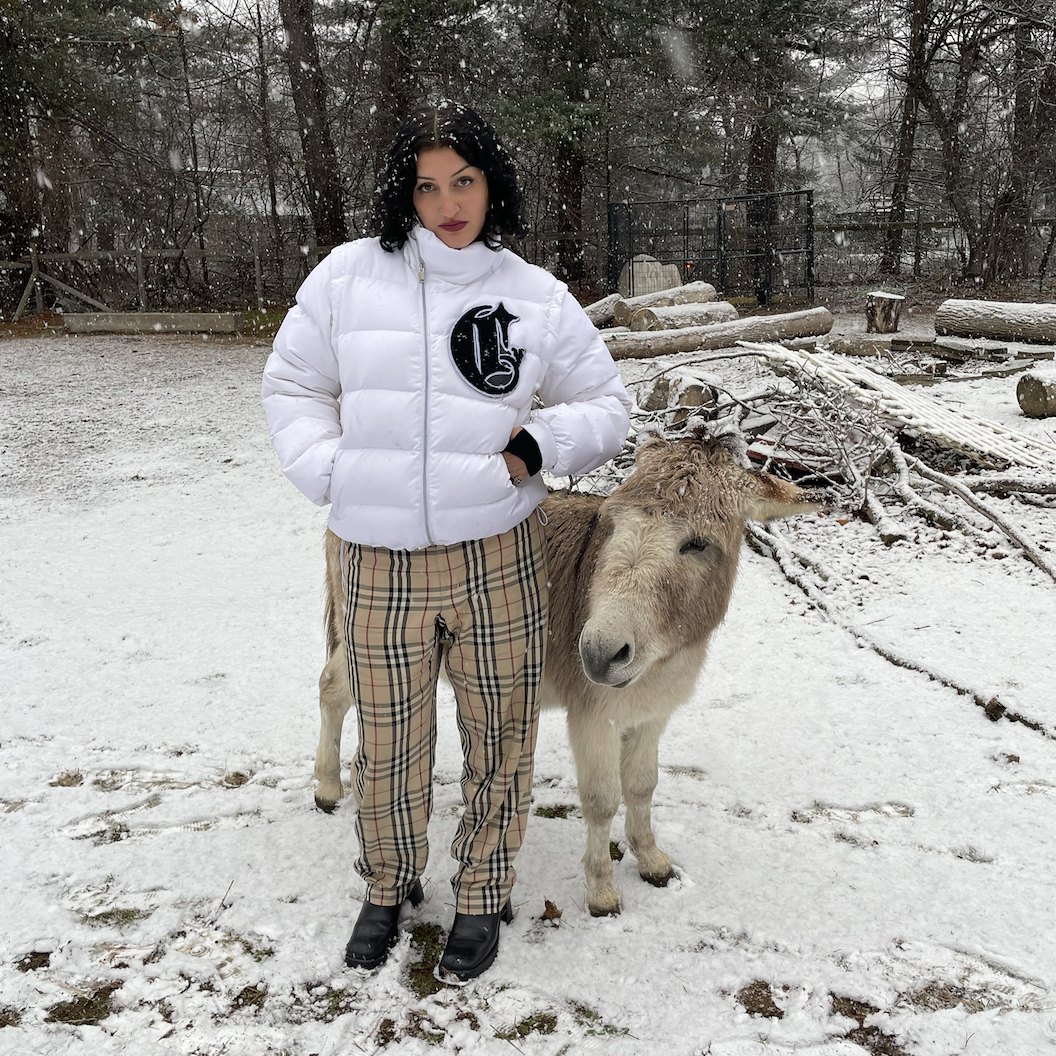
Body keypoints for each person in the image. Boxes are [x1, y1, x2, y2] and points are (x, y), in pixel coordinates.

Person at [262, 103, 631, 983]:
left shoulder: (534, 295)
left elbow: (606, 405)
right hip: (374, 557)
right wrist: (330, 471)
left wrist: (537, 448)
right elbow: (293, 384)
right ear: (407, 193)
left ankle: (481, 892)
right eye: (427, 186)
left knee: (500, 737)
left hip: (496, 555)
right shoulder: (347, 278)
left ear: (491, 185)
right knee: (388, 737)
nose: (448, 204)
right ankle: (387, 886)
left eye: (464, 181)